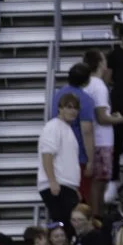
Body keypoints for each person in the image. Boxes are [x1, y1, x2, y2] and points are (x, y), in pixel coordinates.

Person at [39, 92, 86, 225]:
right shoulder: (53, 126)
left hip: (66, 186)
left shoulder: (66, 129)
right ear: (60, 108)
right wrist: (52, 181)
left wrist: (74, 188)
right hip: (58, 185)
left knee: (70, 226)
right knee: (66, 226)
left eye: (75, 108)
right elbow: (47, 155)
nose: (73, 111)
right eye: (69, 107)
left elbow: (67, 161)